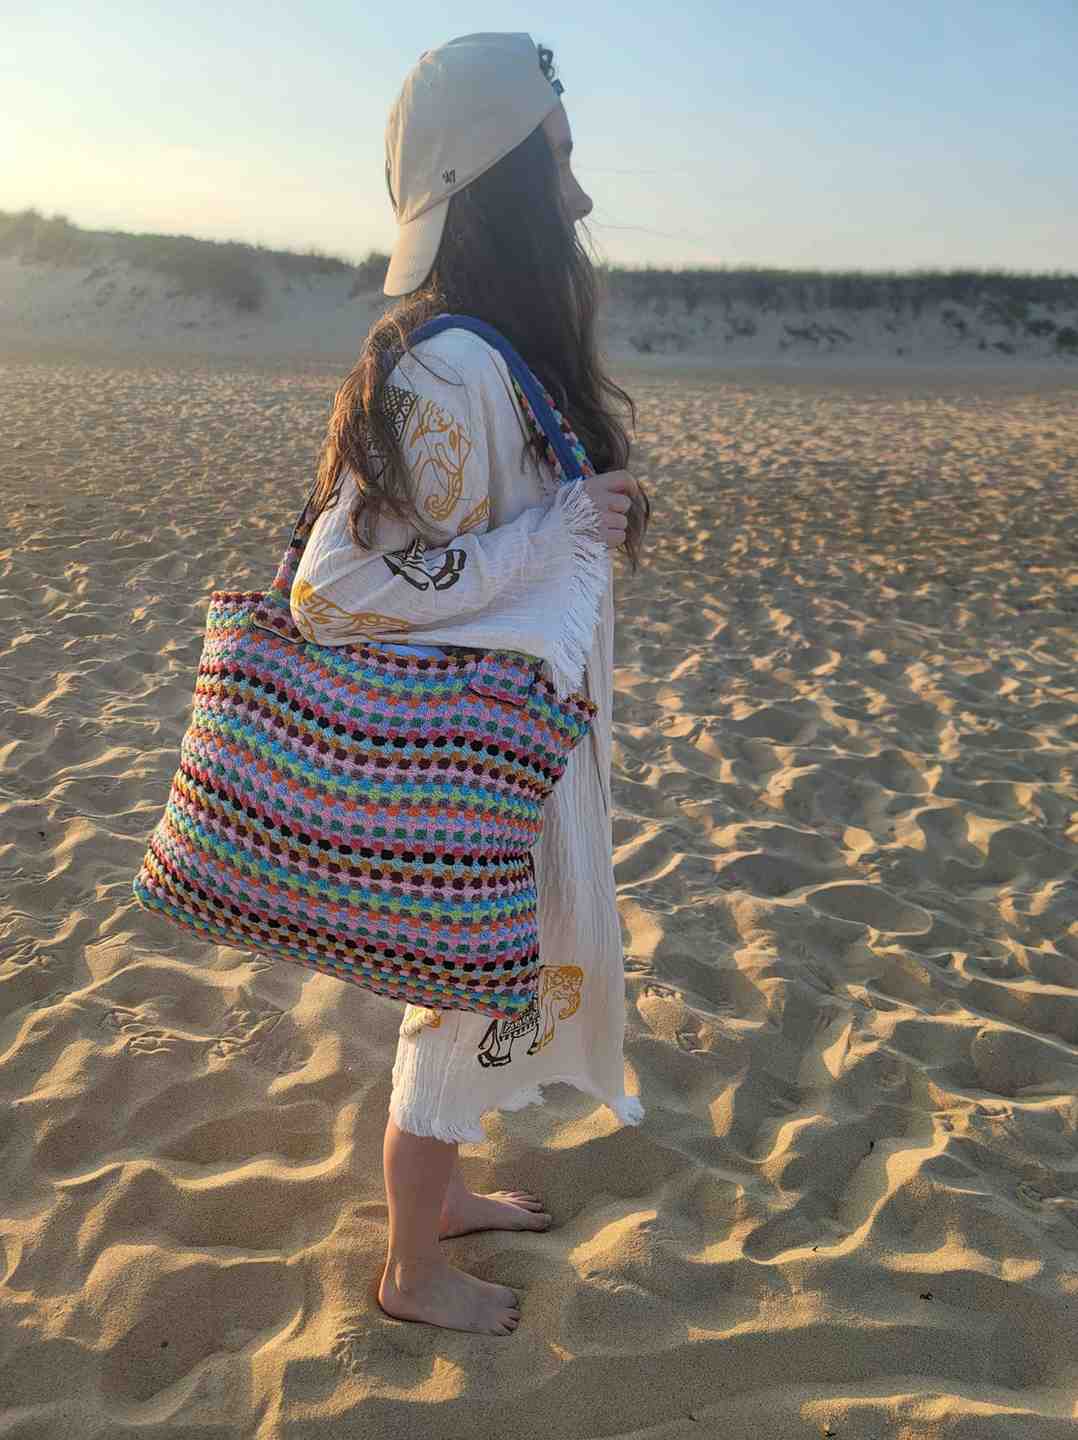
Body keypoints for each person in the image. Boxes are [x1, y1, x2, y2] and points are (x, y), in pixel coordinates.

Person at [292, 32, 650, 1336]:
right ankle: (408, 1268)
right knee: (465, 988)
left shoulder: (487, 357)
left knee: (482, 983)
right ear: (497, 179)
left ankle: (436, 1206)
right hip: (473, 772)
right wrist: (550, 539)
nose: (579, 198)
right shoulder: (452, 369)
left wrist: (569, 520)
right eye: (557, 161)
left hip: (514, 756)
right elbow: (333, 587)